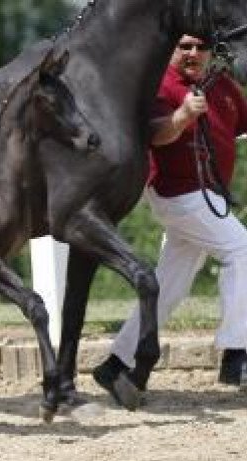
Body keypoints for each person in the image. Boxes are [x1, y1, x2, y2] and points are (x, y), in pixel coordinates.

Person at [94, 34, 247, 399]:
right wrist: (181, 117)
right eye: (185, 46)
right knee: (241, 249)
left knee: (169, 286)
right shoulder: (158, 84)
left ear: (211, 51)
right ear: (172, 49)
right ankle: (238, 352)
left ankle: (117, 364)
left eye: (201, 47)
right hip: (178, 194)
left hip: (210, 197)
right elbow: (152, 135)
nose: (193, 53)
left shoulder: (222, 86)